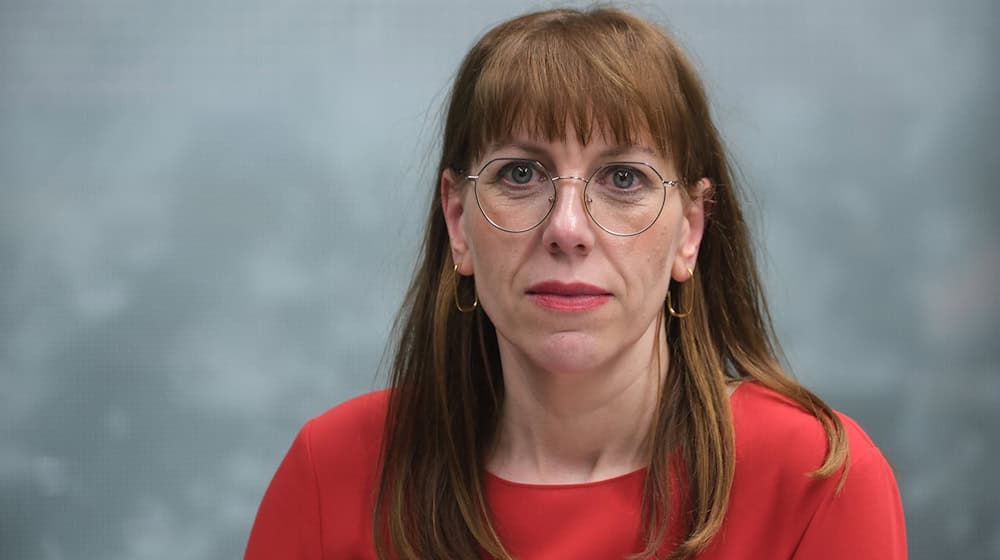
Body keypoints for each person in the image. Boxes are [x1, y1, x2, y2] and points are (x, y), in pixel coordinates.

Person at [244, 7, 906, 560]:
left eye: (623, 179)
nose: (567, 229)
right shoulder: (330, 473)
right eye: (520, 175)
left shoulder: (817, 481)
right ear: (457, 222)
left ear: (691, 231)